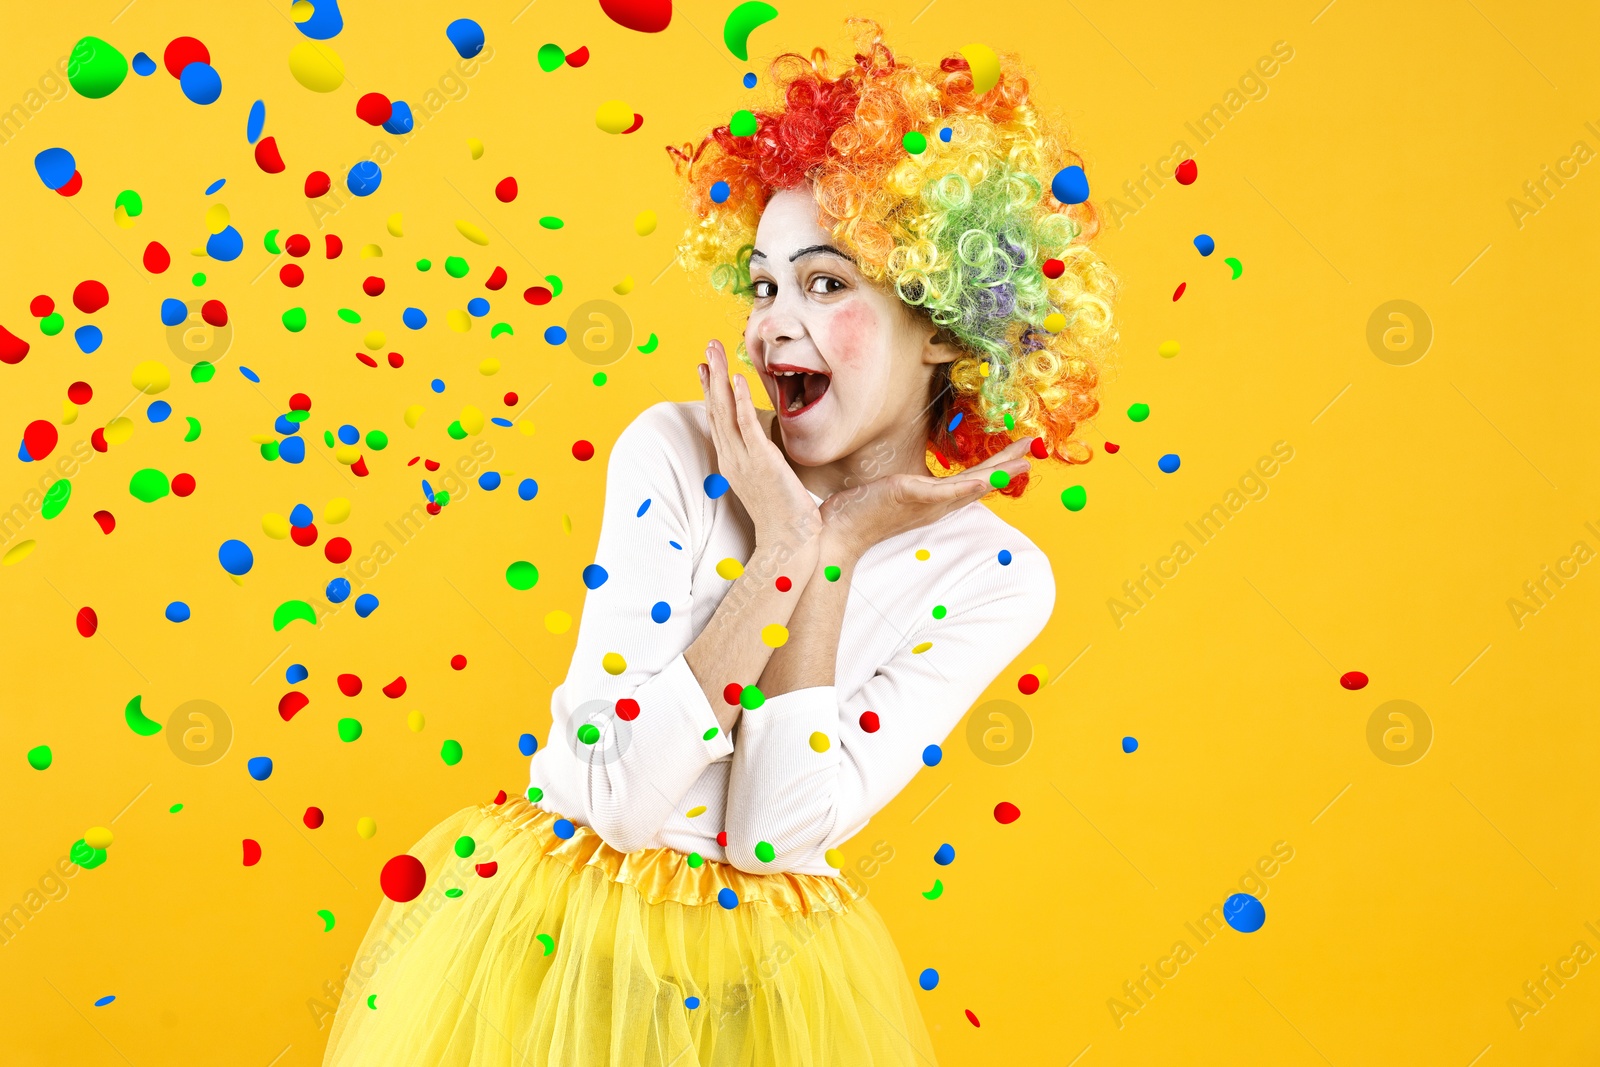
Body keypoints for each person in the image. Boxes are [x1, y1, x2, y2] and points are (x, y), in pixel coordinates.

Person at [322, 18, 1115, 1066]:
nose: (773, 322)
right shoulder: (676, 451)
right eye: (763, 283)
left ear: (941, 322)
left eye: (827, 283)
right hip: (543, 963)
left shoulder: (997, 576)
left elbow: (774, 837)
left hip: (764, 1000)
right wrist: (783, 540)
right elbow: (620, 795)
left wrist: (828, 551)